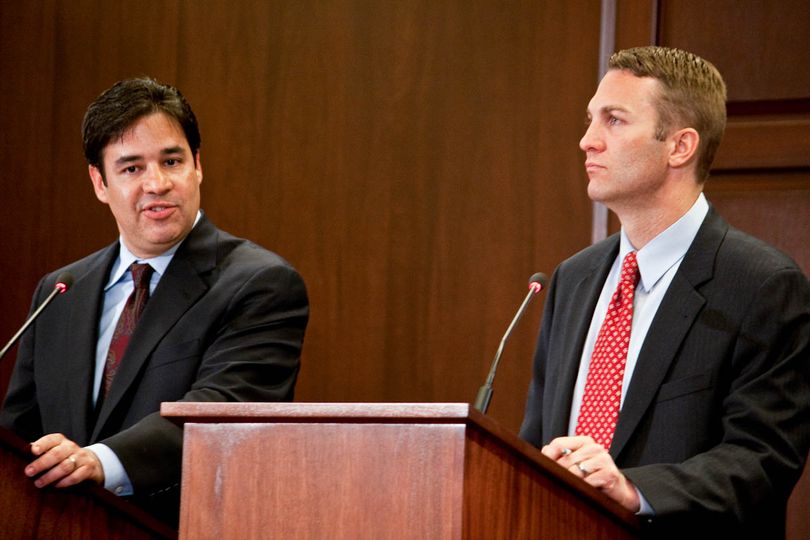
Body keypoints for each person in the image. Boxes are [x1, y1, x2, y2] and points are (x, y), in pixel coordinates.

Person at [519, 46, 809, 536]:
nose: (587, 141)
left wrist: (632, 491)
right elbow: (535, 443)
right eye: (591, 119)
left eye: (613, 120)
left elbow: (762, 459)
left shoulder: (762, 286)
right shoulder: (572, 278)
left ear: (680, 146)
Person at [0, 77, 309, 525]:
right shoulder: (60, 290)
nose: (157, 183)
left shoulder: (261, 284)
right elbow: (19, 433)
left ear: (197, 165)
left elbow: (217, 417)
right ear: (99, 182)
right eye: (132, 168)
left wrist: (96, 462)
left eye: (171, 160)